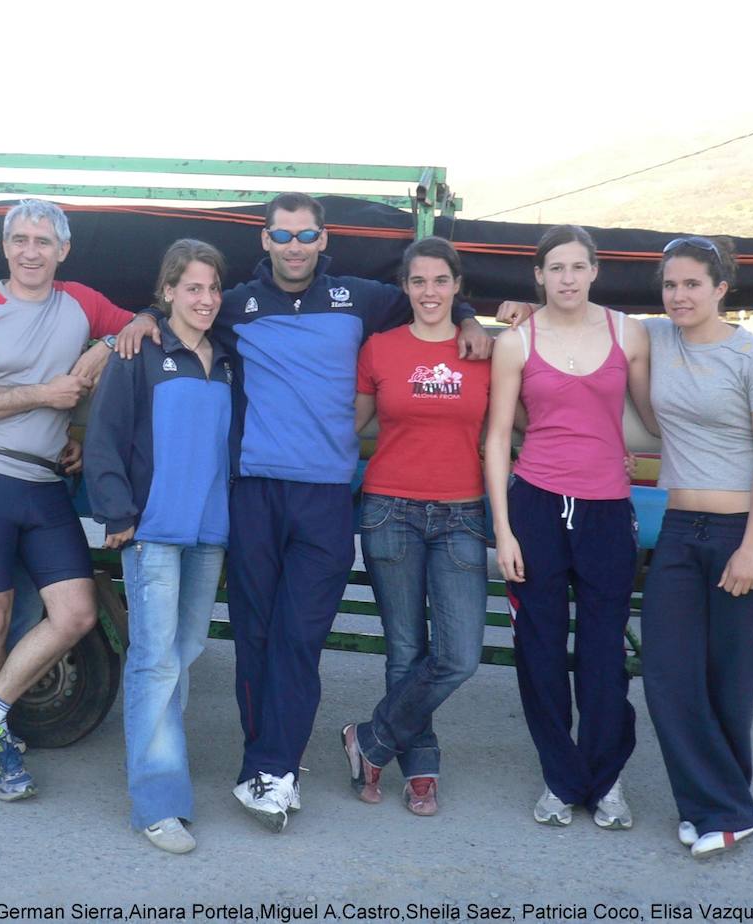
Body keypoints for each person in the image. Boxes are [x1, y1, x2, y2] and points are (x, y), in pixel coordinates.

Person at [121, 193, 492, 832]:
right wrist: (132, 323)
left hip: (324, 498)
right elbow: (179, 309)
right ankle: (259, 771)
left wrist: (468, 318)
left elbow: (429, 297)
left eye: (307, 234)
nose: (294, 245)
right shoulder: (234, 304)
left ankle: (277, 768)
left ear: (324, 241)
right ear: (264, 240)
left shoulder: (360, 298)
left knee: (301, 639)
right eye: (283, 234)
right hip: (254, 493)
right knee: (256, 639)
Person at [0, 198, 157, 801]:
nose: (31, 251)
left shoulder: (82, 302)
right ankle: (1, 749)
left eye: (43, 241)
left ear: (63, 250)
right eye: (21, 240)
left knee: (77, 613)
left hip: (44, 483)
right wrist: (47, 394)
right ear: (5, 247)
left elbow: (143, 322)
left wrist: (106, 345)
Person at [484, 224, 655, 830]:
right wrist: (503, 531)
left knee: (605, 652)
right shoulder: (517, 342)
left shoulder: (627, 334)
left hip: (607, 508)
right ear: (538, 275)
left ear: (594, 272)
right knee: (540, 651)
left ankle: (606, 780)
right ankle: (560, 779)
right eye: (556, 268)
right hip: (535, 506)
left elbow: (655, 420)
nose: (567, 278)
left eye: (578, 267)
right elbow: (499, 435)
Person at [640, 236, 753, 859]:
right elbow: (583, 318)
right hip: (681, 530)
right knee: (666, 674)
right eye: (670, 285)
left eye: (691, 285)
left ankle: (718, 809)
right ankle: (719, 806)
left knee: (731, 682)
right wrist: (511, 307)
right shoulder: (654, 337)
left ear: (721, 288)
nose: (678, 296)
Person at [85, 239, 233, 855]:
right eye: (192, 288)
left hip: (209, 531)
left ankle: (165, 770)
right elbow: (104, 438)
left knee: (184, 649)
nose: (205, 300)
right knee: (153, 658)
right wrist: (117, 511)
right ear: (168, 291)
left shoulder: (227, 359)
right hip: (152, 531)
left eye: (213, 289)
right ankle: (158, 800)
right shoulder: (137, 353)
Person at [339, 237, 492, 817]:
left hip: (462, 512)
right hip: (389, 509)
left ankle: (372, 739)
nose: (430, 292)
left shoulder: (483, 349)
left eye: (441, 281)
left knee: (459, 655)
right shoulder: (378, 348)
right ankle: (420, 765)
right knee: (405, 650)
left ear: (457, 287)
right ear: (405, 288)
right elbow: (350, 424)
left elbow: (518, 422)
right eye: (419, 282)